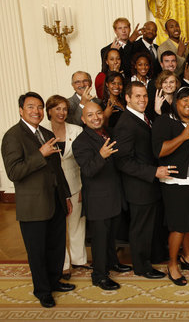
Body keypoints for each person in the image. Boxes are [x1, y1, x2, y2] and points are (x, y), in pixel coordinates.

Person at [2, 92, 75, 308]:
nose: (37, 111)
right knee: (37, 250)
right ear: (21, 110)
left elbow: (57, 169)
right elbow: (14, 172)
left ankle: (54, 281)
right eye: (31, 107)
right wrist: (39, 154)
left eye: (40, 107)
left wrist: (66, 196)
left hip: (55, 200)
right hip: (33, 205)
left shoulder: (45, 132)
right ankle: (42, 290)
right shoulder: (13, 136)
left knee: (56, 245)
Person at [152, 87, 189, 285]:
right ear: (175, 102)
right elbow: (159, 151)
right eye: (184, 100)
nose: (188, 104)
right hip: (176, 182)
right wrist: (183, 136)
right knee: (179, 226)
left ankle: (187, 256)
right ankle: (172, 264)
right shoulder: (165, 121)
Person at [114, 81, 169, 280]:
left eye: (144, 95)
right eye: (137, 96)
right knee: (140, 229)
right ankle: (142, 267)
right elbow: (122, 161)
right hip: (139, 187)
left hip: (149, 186)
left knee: (150, 227)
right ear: (127, 98)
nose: (142, 99)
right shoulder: (125, 124)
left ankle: (151, 258)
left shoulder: (143, 117)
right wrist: (153, 172)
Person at [72, 102, 128, 291]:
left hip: (114, 194)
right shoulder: (80, 142)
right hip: (98, 199)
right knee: (100, 239)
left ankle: (112, 263)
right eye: (90, 115)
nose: (95, 117)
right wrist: (101, 155)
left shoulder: (107, 133)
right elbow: (88, 170)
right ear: (83, 119)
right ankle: (99, 276)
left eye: (98, 113)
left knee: (111, 235)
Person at [46, 95, 88, 279]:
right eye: (57, 109)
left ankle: (79, 259)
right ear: (49, 111)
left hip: (75, 181)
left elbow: (83, 161)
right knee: (58, 226)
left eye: (64, 109)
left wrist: (84, 186)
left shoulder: (77, 130)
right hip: (52, 185)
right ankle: (63, 264)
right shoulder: (42, 131)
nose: (62, 113)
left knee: (77, 222)